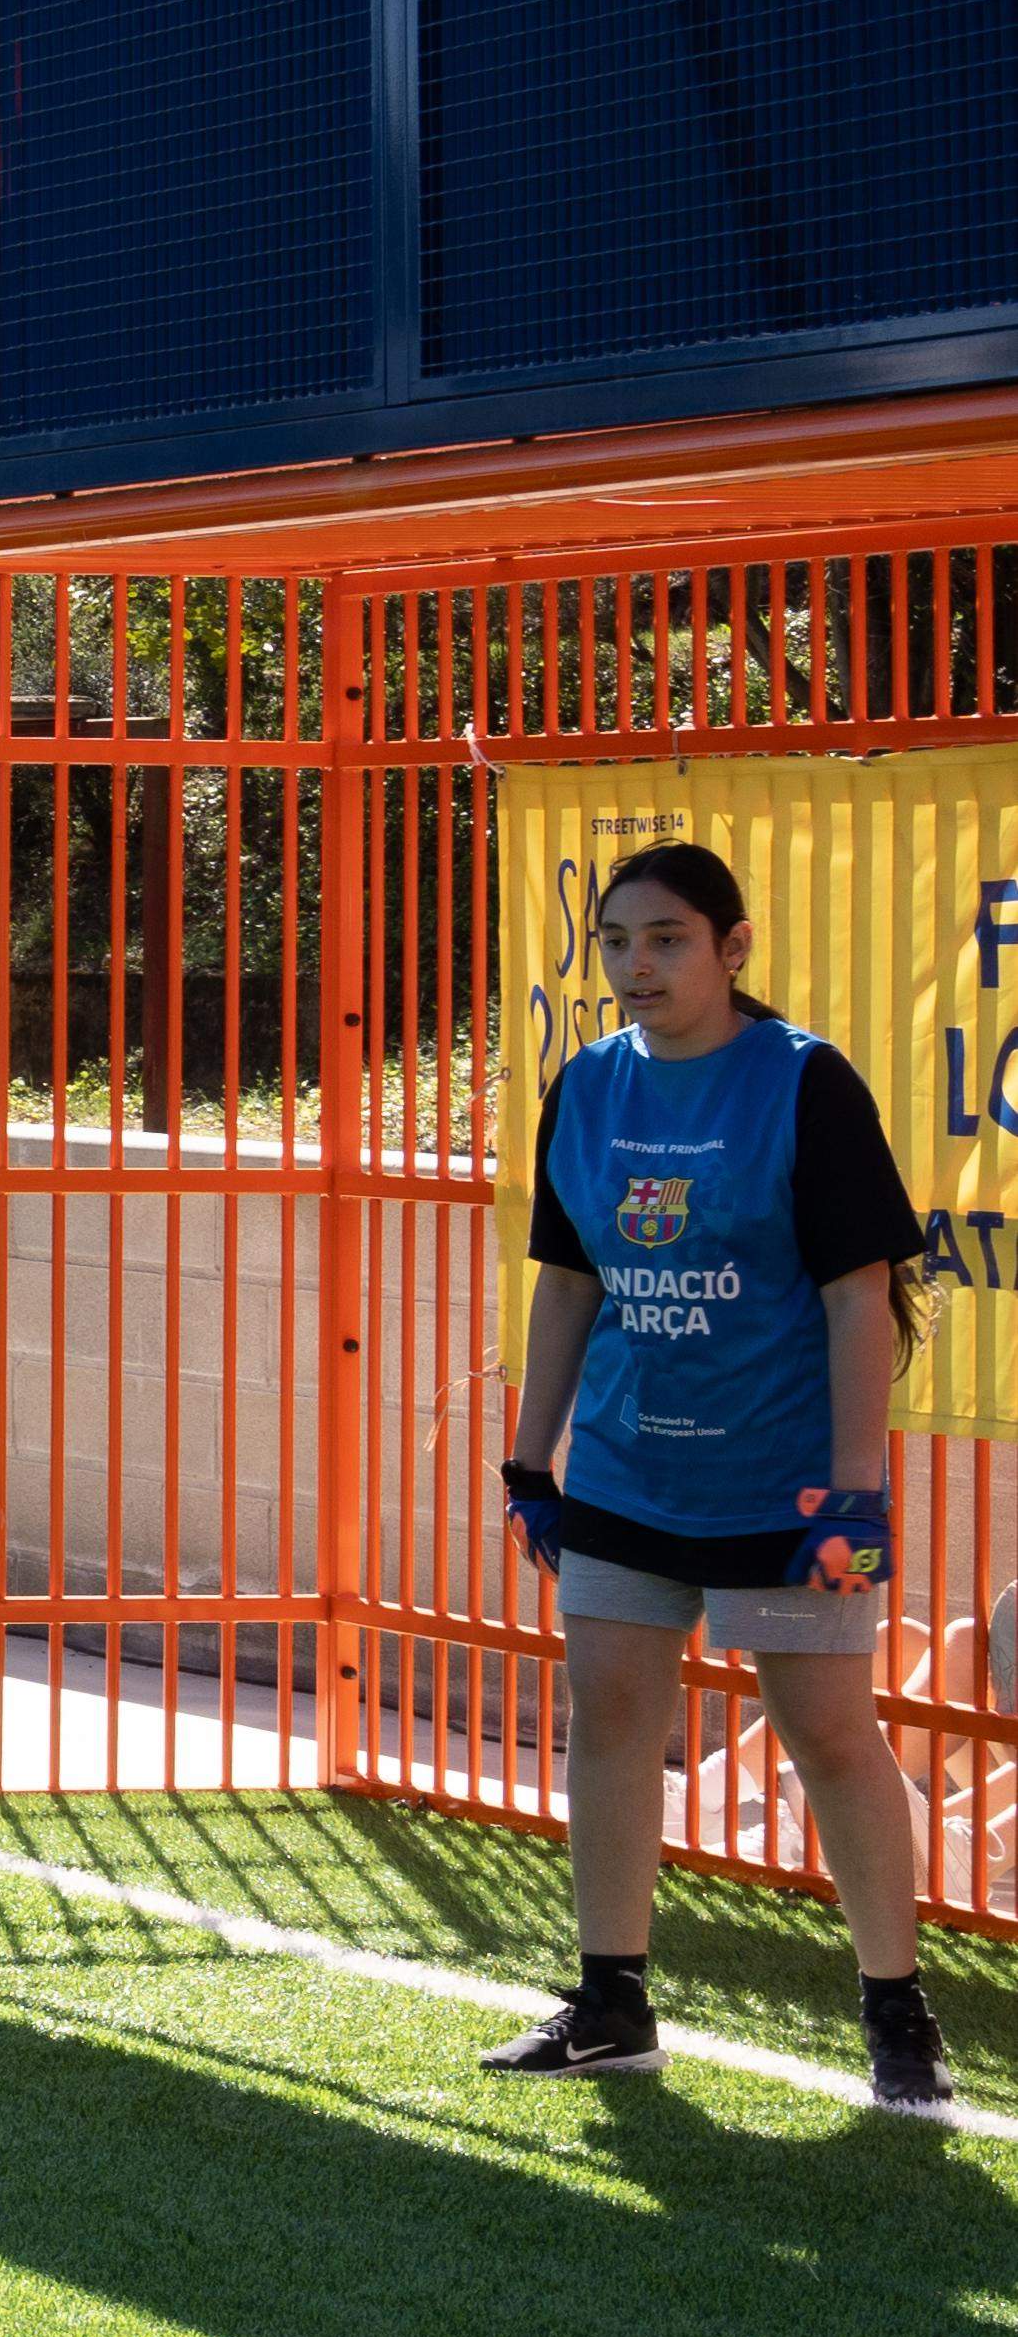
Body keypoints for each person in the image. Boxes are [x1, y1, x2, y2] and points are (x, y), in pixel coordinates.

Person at [481, 839, 950, 2111]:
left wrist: (854, 1496)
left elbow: (863, 1297)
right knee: (615, 1721)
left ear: (733, 947)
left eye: (669, 938)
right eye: (619, 942)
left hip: (787, 1486)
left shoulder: (804, 1082)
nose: (637, 965)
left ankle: (898, 2011)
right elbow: (570, 1280)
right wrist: (534, 1459)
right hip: (629, 1478)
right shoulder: (583, 1083)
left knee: (829, 1734)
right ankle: (610, 2004)